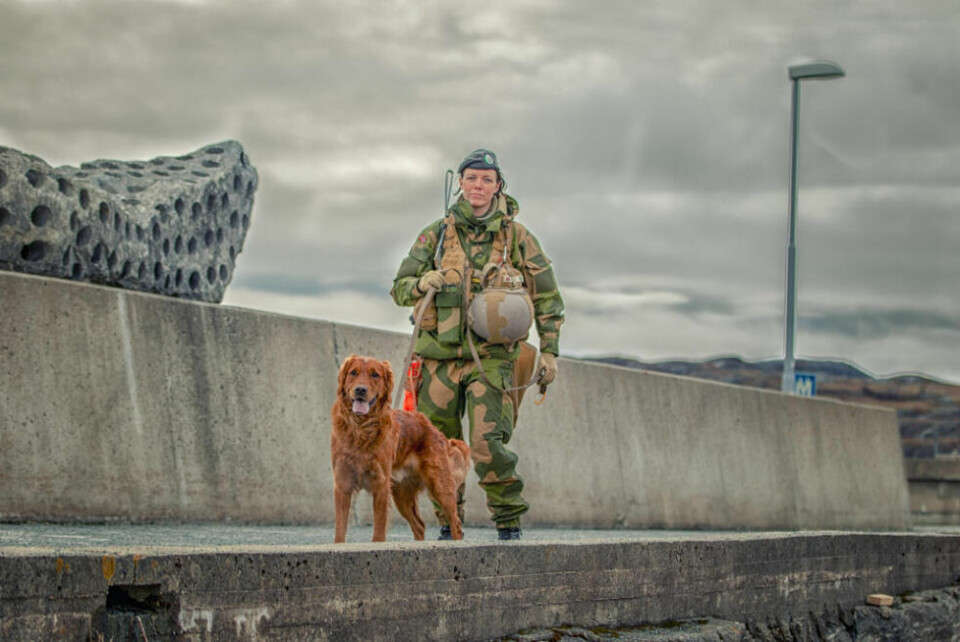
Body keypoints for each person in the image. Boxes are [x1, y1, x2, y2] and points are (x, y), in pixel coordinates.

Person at [390, 148, 564, 541]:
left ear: (498, 186)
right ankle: (449, 522)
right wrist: (422, 283)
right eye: (471, 178)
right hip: (437, 360)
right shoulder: (436, 234)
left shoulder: (516, 238)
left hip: (490, 358)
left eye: (487, 179)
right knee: (436, 451)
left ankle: (508, 522)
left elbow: (548, 297)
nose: (478, 186)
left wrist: (549, 350)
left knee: (488, 446)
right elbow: (398, 288)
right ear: (461, 184)